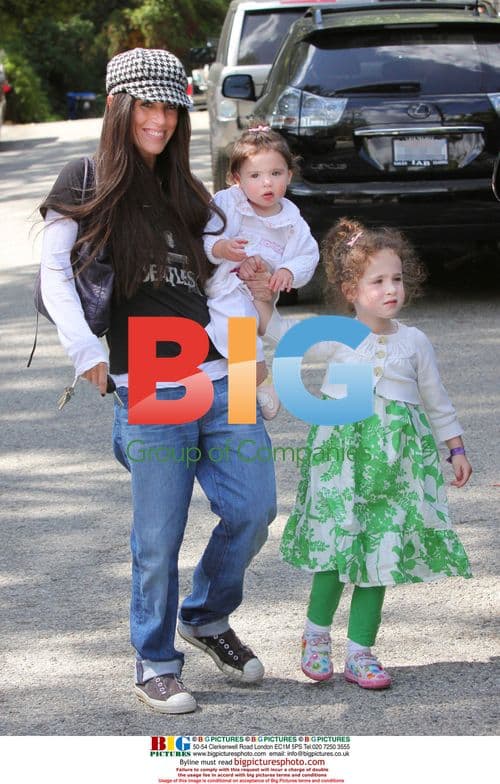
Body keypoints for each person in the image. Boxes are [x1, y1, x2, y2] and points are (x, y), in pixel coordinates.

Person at [39, 47, 277, 714]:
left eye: (171, 105)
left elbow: (222, 287)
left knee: (254, 508)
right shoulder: (86, 179)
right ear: (119, 107)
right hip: (149, 377)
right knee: (159, 534)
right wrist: (83, 349)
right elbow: (55, 271)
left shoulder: (190, 191)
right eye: (147, 103)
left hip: (216, 372)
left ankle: (204, 615)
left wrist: (246, 355)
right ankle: (155, 659)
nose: (160, 118)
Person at [257, 217, 472, 689]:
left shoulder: (415, 341)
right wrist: (259, 299)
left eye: (397, 279)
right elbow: (284, 335)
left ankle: (361, 652)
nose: (391, 288)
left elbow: (436, 400)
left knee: (380, 553)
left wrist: (453, 447)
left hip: (397, 462)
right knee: (336, 551)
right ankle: (315, 637)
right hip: (342, 460)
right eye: (378, 281)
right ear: (352, 289)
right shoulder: (340, 334)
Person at [203, 126, 319, 419]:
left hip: (263, 292)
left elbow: (308, 254)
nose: (267, 183)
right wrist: (223, 248)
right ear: (237, 180)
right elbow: (206, 236)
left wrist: (287, 270)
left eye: (276, 174)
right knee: (239, 329)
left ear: (289, 175)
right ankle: (256, 380)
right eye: (255, 176)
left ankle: (328, 352)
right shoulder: (229, 203)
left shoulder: (291, 219)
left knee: (278, 333)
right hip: (229, 286)